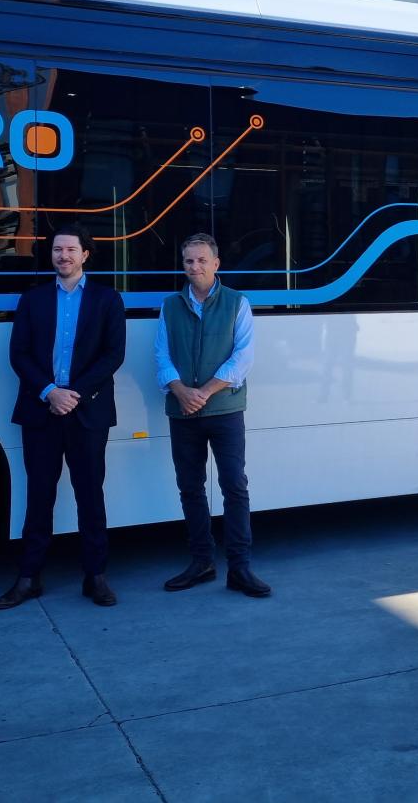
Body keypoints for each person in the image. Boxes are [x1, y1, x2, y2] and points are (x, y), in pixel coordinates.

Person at [0, 225, 126, 609]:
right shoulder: (32, 299)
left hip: (88, 412)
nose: (63, 256)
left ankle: (95, 576)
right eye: (57, 250)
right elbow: (18, 354)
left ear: (86, 254)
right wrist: (49, 392)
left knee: (91, 496)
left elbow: (112, 355)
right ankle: (28, 577)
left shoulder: (107, 299)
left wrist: (74, 394)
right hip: (41, 410)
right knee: (39, 496)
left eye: (71, 249)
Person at [155, 233, 270, 597]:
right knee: (190, 488)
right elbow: (161, 356)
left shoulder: (237, 303)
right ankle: (201, 562)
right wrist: (181, 391)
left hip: (223, 410)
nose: (195, 267)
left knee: (234, 486)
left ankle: (239, 568)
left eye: (202, 260)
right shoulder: (170, 305)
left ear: (216, 264)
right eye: (189, 261)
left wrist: (203, 392)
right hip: (182, 411)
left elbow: (243, 358)